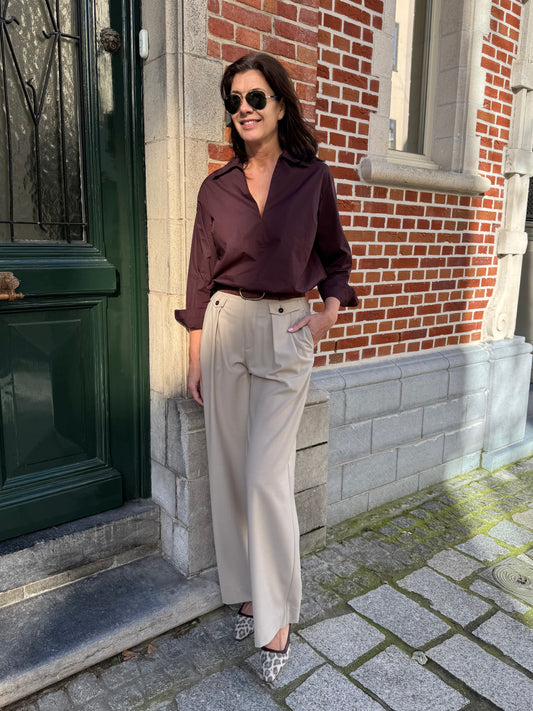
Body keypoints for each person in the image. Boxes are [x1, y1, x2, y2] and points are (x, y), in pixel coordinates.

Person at [175, 52, 358, 682]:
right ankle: (250, 594)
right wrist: (195, 353)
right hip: (225, 327)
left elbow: (337, 257)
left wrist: (328, 314)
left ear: (280, 103)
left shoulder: (313, 178)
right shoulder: (216, 188)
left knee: (264, 476)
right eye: (234, 100)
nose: (244, 109)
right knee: (231, 474)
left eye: (256, 97)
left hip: (287, 329)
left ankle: (278, 616)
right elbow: (199, 275)